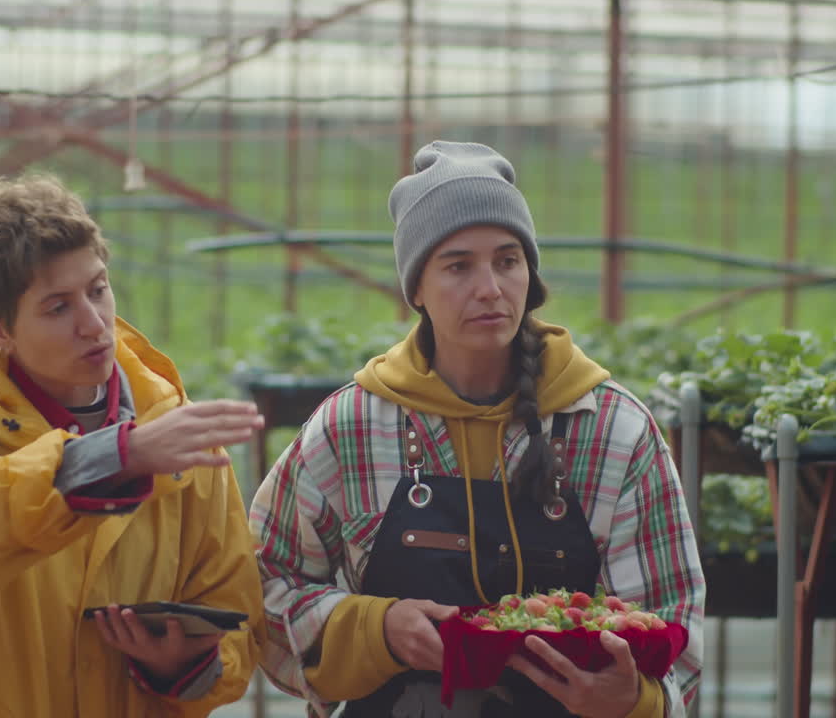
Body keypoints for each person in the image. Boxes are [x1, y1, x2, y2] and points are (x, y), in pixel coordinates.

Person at [250, 141, 704, 717]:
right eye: (459, 265)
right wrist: (376, 628)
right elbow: (264, 584)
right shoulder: (352, 428)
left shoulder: (614, 431)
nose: (489, 287)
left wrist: (635, 701)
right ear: (415, 288)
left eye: (508, 260)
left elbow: (673, 617)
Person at [0, 175, 265, 718]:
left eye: (98, 289)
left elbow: (236, 620)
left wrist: (183, 666)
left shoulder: (176, 439)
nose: (94, 324)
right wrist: (109, 460)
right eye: (57, 307)